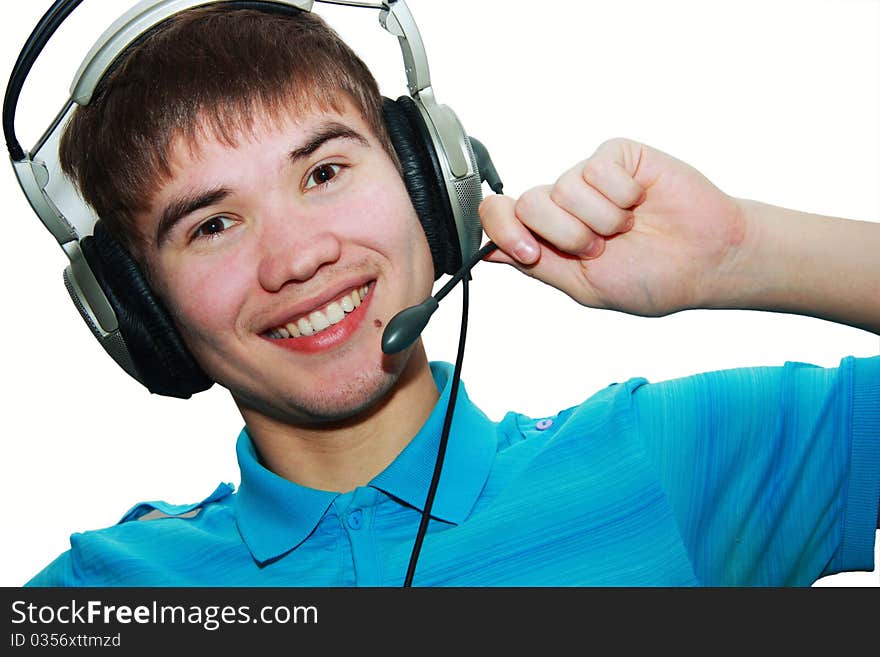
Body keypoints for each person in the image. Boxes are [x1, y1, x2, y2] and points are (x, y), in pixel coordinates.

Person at [5, 1, 878, 587]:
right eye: (212, 225)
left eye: (324, 170)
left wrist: (744, 255)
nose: (298, 258)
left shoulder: (662, 455)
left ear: (434, 184)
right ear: (136, 313)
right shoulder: (102, 592)